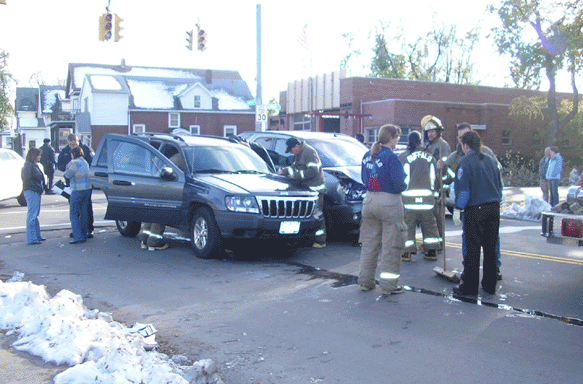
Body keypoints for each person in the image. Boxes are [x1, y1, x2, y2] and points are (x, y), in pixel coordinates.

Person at [437, 122, 504, 280]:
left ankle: (488, 272)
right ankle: (479, 274)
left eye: (464, 137)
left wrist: (458, 208)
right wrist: (442, 167)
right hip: (483, 204)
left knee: (485, 243)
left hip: (477, 204)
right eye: (459, 137)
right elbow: (448, 176)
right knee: (473, 243)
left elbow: (497, 173)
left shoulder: (485, 154)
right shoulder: (455, 156)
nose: (462, 140)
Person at [358, 124, 407, 294]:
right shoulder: (391, 157)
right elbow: (400, 184)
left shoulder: (367, 155)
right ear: (392, 138)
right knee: (391, 246)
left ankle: (365, 281)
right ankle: (388, 286)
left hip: (369, 200)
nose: (397, 142)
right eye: (397, 138)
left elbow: (364, 178)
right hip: (389, 202)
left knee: (369, 244)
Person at [452, 130, 503, 296]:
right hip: (493, 208)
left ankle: (470, 287)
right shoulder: (490, 160)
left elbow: (463, 191)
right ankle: (489, 285)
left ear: (466, 145)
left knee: (472, 249)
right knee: (490, 248)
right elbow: (499, 185)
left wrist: (458, 208)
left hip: (476, 209)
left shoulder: (465, 163)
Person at [398, 130, 441, 261]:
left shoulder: (403, 157)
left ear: (408, 141)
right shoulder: (430, 157)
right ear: (420, 141)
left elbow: (401, 178)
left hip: (409, 199)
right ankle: (432, 251)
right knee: (429, 225)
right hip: (427, 199)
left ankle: (407, 253)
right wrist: (436, 194)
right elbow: (435, 178)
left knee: (408, 226)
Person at [278, 137, 327, 248]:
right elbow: (294, 167)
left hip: (315, 190)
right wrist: (283, 171)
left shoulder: (309, 152)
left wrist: (296, 175)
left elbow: (313, 171)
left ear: (297, 146)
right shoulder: (299, 153)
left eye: (291, 150)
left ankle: (320, 241)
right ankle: (307, 239)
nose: (291, 153)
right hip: (307, 189)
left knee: (317, 215)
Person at [138, 151, 186, 250]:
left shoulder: (172, 158)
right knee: (159, 218)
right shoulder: (183, 158)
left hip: (156, 187)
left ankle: (144, 240)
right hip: (165, 189)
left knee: (151, 216)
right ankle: (153, 243)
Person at [421, 115, 451, 251]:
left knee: (438, 219)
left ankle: (440, 244)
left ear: (438, 131)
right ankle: (431, 244)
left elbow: (445, 167)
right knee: (429, 219)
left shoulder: (442, 145)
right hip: (429, 185)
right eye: (428, 132)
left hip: (438, 187)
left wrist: (441, 186)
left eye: (433, 131)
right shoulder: (428, 145)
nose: (430, 134)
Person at [58, 134, 95, 237]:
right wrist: (66, 166)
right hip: (71, 184)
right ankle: (77, 230)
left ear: (78, 141)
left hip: (84, 183)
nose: (72, 146)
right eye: (70, 144)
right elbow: (60, 165)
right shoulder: (65, 151)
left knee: (86, 208)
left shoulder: (86, 149)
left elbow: (92, 163)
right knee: (76, 208)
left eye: (74, 144)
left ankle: (88, 229)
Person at [64, 146, 92, 244]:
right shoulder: (85, 162)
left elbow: (67, 175)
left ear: (74, 154)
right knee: (84, 212)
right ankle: (85, 233)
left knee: (74, 214)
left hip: (77, 190)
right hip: (87, 189)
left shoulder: (75, 163)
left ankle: (78, 236)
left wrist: (68, 166)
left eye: (71, 154)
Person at [21, 147, 46, 245]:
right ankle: (32, 238)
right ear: (34, 156)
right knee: (32, 215)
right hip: (32, 191)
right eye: (39, 155)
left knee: (34, 214)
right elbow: (27, 179)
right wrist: (37, 187)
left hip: (34, 191)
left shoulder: (32, 165)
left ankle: (36, 236)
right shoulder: (29, 165)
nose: (40, 157)